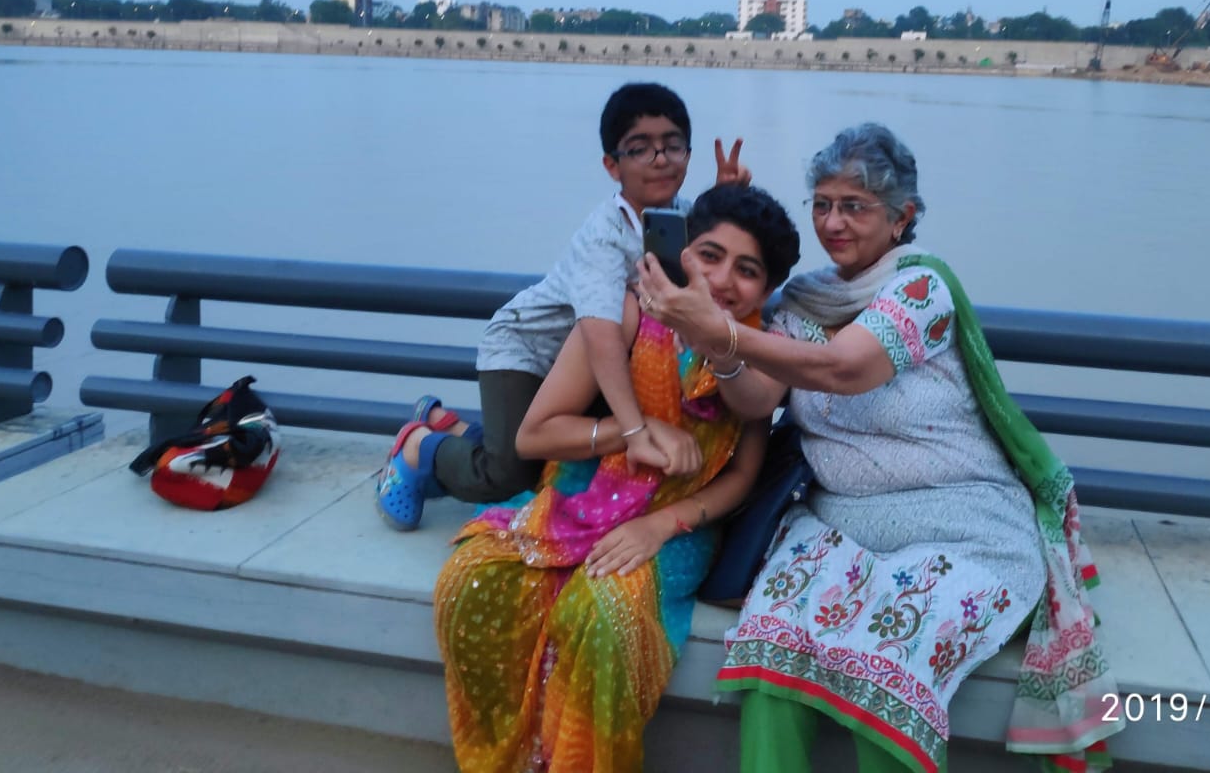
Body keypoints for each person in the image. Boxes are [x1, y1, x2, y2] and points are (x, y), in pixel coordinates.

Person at [638, 124, 1123, 773]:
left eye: (854, 206)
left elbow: (845, 368)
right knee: (769, 657)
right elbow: (754, 399)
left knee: (889, 679)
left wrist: (722, 331)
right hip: (842, 527)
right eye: (823, 203)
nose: (833, 222)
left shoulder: (922, 291)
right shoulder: (802, 301)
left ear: (903, 218)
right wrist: (723, 337)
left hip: (964, 526)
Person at [434, 184, 801, 773]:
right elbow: (535, 435)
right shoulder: (626, 313)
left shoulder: (763, 344)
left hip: (679, 523)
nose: (722, 280)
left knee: (604, 615)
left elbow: (743, 471)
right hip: (581, 496)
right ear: (681, 253)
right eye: (709, 255)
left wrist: (659, 525)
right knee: (474, 581)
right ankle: (502, 762)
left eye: (748, 269)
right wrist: (633, 432)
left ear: (767, 287)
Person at [375, 82, 751, 530]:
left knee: (560, 461)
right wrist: (633, 433)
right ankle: (418, 446)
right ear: (612, 166)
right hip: (527, 350)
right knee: (508, 473)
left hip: (581, 367)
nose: (659, 159)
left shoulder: (684, 216)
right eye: (640, 149)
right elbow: (601, 337)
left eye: (672, 146)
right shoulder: (604, 237)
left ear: (688, 155)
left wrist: (726, 202)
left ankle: (447, 424)